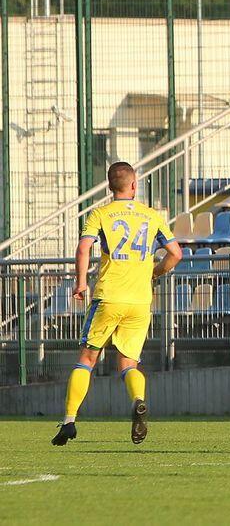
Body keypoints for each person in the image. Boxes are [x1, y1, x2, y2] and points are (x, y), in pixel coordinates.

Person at [52, 161, 184, 448]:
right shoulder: (151, 216)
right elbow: (176, 253)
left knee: (87, 359)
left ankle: (69, 420)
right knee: (128, 363)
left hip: (109, 296)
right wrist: (154, 273)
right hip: (140, 300)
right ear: (134, 185)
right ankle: (138, 400)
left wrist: (81, 282)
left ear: (110, 186)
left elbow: (84, 247)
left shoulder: (100, 214)